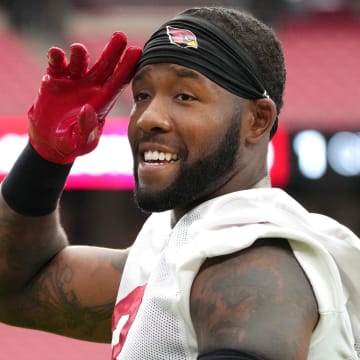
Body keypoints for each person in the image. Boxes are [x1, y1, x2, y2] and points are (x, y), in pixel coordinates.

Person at [0, 6, 359, 360]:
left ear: (257, 120)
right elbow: (14, 289)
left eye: (184, 96)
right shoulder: (179, 244)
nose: (148, 118)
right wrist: (44, 157)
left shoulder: (251, 259)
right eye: (142, 96)